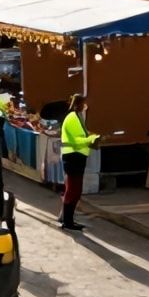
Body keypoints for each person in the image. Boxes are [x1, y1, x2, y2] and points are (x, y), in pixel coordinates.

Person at [58, 94, 100, 231]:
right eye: (84, 104)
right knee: (73, 190)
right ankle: (68, 222)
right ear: (80, 104)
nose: (85, 107)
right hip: (73, 157)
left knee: (74, 189)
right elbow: (77, 140)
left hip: (76, 157)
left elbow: (81, 135)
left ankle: (67, 219)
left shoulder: (75, 117)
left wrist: (90, 136)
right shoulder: (73, 118)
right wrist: (91, 139)